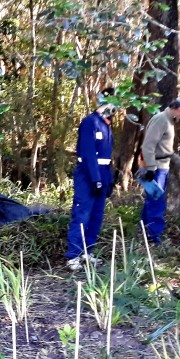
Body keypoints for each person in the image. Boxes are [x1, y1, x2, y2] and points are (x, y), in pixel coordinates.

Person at [65, 88, 116, 270]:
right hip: (87, 175)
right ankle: (73, 256)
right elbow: (88, 154)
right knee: (82, 214)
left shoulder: (107, 125)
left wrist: (109, 180)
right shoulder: (90, 122)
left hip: (102, 173)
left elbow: (107, 158)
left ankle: (87, 252)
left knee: (96, 215)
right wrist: (95, 179)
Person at [138, 98, 180, 246]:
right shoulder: (161, 120)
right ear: (179, 108)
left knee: (153, 202)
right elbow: (148, 146)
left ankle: (145, 233)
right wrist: (151, 168)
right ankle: (153, 238)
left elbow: (167, 152)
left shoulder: (169, 122)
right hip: (156, 169)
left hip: (161, 168)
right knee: (156, 203)